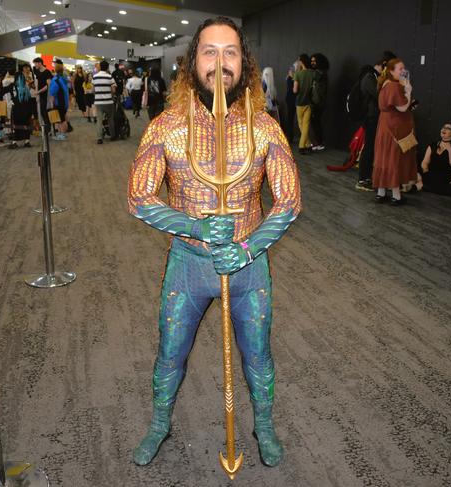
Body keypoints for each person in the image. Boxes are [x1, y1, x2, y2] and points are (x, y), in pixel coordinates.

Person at [128, 16, 301, 468]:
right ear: (193, 61)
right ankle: (160, 423)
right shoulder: (166, 127)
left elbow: (289, 200)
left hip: (248, 263)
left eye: (230, 52)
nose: (219, 62)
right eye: (210, 51)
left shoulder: (265, 127)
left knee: (259, 355)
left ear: (244, 62)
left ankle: (263, 425)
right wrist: (196, 227)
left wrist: (247, 247)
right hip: (188, 263)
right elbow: (138, 196)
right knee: (171, 351)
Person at [372, 58, 417, 205]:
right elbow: (403, 108)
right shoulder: (394, 86)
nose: (403, 71)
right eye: (400, 68)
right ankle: (396, 195)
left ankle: (381, 192)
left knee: (383, 157)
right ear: (391, 71)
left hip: (385, 125)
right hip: (395, 127)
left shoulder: (385, 84)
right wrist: (409, 92)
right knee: (393, 158)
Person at [355, 51, 396, 191]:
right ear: (384, 64)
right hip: (371, 118)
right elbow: (381, 96)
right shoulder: (369, 77)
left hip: (376, 117)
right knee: (369, 148)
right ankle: (362, 179)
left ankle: (368, 177)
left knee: (373, 148)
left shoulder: (375, 77)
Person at [416, 123, 451, 196]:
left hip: (445, 177)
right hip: (430, 174)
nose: (444, 129)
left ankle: (423, 186)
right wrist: (426, 172)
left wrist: (450, 149)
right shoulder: (433, 145)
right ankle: (423, 185)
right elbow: (425, 162)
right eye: (443, 127)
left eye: (448, 128)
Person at [9, 64, 34, 149]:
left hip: (17, 109)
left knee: (16, 124)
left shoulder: (14, 87)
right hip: (26, 108)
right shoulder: (26, 88)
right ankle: (27, 141)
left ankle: (14, 142)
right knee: (26, 123)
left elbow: (12, 98)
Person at [293, 54, 314, 154]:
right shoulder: (312, 73)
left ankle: (301, 147)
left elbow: (295, 90)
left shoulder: (298, 74)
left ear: (301, 62)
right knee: (306, 125)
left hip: (300, 102)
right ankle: (308, 144)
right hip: (309, 102)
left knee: (302, 125)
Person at [92, 59, 116, 144]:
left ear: (100, 67)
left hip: (98, 102)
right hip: (109, 102)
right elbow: (113, 90)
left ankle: (99, 138)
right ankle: (112, 136)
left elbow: (93, 90)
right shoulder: (110, 77)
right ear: (107, 68)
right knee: (110, 119)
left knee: (99, 120)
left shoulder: (94, 77)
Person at [309, 53, 329, 151]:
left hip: (318, 102)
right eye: (311, 61)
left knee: (316, 122)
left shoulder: (319, 73)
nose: (312, 63)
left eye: (314, 61)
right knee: (315, 122)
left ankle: (318, 143)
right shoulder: (320, 72)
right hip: (317, 102)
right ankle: (318, 142)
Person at [49, 59, 70, 141]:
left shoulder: (55, 79)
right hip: (65, 102)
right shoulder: (63, 78)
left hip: (59, 102)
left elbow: (53, 92)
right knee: (63, 118)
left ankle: (62, 135)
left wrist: (51, 102)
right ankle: (63, 134)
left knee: (61, 120)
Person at [32, 57, 53, 136]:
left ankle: (49, 130)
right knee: (42, 112)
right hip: (40, 95)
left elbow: (48, 85)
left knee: (46, 112)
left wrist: (38, 92)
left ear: (40, 63)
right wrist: (37, 93)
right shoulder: (37, 72)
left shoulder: (47, 72)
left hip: (46, 95)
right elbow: (37, 83)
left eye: (36, 63)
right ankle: (46, 129)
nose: (35, 65)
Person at [285, 63, 297, 143]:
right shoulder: (290, 79)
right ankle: (290, 137)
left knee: (290, 119)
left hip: (291, 100)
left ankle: (290, 137)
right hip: (292, 100)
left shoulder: (290, 79)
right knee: (290, 119)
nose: (289, 71)